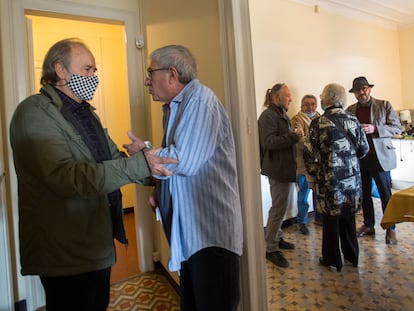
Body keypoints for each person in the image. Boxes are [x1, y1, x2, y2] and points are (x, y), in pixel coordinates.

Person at [9, 38, 176, 311]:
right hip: (63, 250)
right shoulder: (34, 113)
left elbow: (113, 160)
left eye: (94, 71)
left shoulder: (87, 114)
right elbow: (68, 177)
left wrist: (156, 170)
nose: (93, 77)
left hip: (95, 243)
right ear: (61, 71)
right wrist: (143, 164)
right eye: (87, 69)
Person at [125, 45, 243, 311]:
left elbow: (184, 161)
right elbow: (183, 162)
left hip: (210, 237)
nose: (146, 80)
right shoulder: (174, 107)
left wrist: (142, 154)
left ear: (172, 74)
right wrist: (160, 189)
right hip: (191, 236)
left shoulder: (200, 100)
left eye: (150, 72)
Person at [304, 83, 369, 272]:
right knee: (349, 218)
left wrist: (316, 173)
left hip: (330, 181)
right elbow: (364, 149)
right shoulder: (353, 119)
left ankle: (333, 260)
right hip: (352, 181)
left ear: (325, 100)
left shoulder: (318, 123)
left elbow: (308, 153)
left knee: (331, 222)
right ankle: (352, 256)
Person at [346, 77, 402, 244]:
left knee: (386, 195)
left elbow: (397, 127)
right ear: (354, 93)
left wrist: (375, 128)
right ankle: (368, 225)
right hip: (360, 159)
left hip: (380, 158)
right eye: (358, 90)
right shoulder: (350, 110)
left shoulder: (384, 105)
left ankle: (391, 229)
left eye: (364, 88)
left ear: (369, 89)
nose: (361, 92)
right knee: (364, 195)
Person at [258, 83, 302, 268]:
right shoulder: (269, 116)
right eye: (287, 96)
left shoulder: (280, 114)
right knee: (278, 209)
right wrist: (294, 137)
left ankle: (277, 237)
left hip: (283, 168)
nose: (290, 99)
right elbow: (268, 142)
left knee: (280, 207)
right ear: (276, 98)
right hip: (277, 169)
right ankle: (271, 248)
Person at [291, 94, 321, 235]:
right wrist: (316, 142)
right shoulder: (296, 119)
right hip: (303, 164)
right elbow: (299, 140)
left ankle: (319, 218)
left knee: (318, 194)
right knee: (303, 195)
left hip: (319, 164)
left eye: (313, 104)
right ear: (302, 106)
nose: (310, 107)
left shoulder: (321, 117)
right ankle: (301, 221)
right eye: (307, 104)